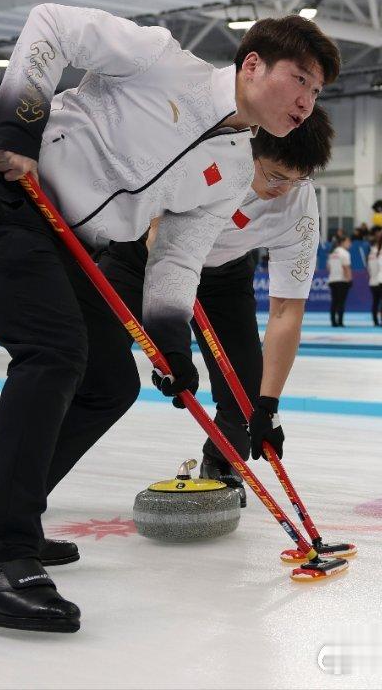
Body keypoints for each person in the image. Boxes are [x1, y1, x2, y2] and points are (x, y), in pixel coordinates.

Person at [0, 7, 338, 634]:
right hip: (3, 203)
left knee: (109, 385)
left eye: (317, 93)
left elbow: (177, 258)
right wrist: (18, 126)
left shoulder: (234, 167)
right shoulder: (160, 60)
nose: (307, 102)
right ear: (252, 65)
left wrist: (172, 345)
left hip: (70, 246)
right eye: (300, 81)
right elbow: (50, 24)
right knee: (54, 354)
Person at [99, 108, 333, 484]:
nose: (283, 189)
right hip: (145, 258)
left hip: (222, 275)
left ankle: (221, 462)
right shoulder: (204, 153)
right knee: (89, 366)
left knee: (246, 397)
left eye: (297, 178)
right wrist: (169, 347)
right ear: (248, 148)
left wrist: (269, 406)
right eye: (275, 175)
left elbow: (287, 309)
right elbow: (160, 239)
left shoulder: (298, 202)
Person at [326, 233, 353, 326]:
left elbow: (328, 267)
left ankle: (333, 321)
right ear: (343, 242)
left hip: (332, 280)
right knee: (341, 302)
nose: (350, 244)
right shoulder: (345, 253)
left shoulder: (332, 253)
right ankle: (340, 322)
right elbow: (346, 267)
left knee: (334, 302)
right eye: (348, 242)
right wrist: (349, 279)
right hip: (342, 280)